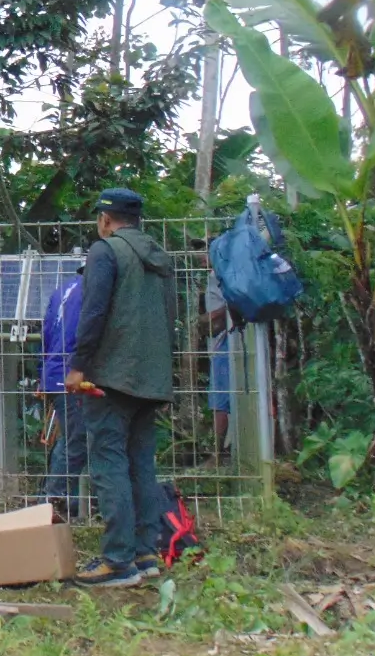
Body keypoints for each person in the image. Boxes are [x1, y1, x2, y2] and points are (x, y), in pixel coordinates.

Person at [65, 188, 178, 588]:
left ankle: (116, 561)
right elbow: (171, 316)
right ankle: (146, 553)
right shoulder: (160, 257)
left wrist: (78, 366)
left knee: (108, 461)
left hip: (111, 377)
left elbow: (94, 311)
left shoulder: (105, 251)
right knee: (140, 463)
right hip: (153, 377)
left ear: (105, 219)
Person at [39, 264, 87, 519]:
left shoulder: (62, 291)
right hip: (73, 374)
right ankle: (52, 501)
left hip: (54, 371)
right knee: (76, 440)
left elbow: (46, 333)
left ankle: (60, 499)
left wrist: (42, 372)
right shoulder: (91, 292)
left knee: (69, 438)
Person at [196, 242, 233, 466]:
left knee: (220, 398)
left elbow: (232, 302)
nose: (200, 255)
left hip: (225, 340)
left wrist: (209, 318)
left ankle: (217, 455)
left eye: (204, 250)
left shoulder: (223, 275)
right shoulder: (213, 275)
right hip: (217, 341)